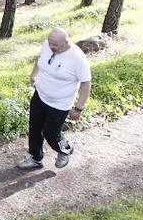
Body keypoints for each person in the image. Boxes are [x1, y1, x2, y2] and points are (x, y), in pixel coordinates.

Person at [17, 27, 91, 170]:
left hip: (59, 104)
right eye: (50, 43)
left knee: (51, 133)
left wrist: (79, 107)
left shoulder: (77, 58)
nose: (51, 47)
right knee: (35, 129)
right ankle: (36, 158)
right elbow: (40, 58)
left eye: (55, 45)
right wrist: (33, 74)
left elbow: (86, 83)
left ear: (65, 42)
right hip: (40, 95)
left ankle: (65, 150)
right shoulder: (48, 45)